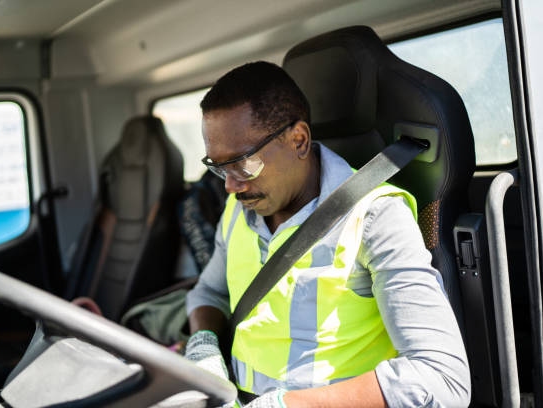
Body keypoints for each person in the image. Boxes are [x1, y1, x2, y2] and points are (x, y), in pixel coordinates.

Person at [184, 61, 470, 407]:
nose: (230, 186)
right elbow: (209, 292)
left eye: (243, 164)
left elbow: (442, 378)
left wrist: (287, 405)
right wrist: (203, 345)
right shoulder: (236, 211)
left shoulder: (376, 216)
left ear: (299, 141)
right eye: (218, 167)